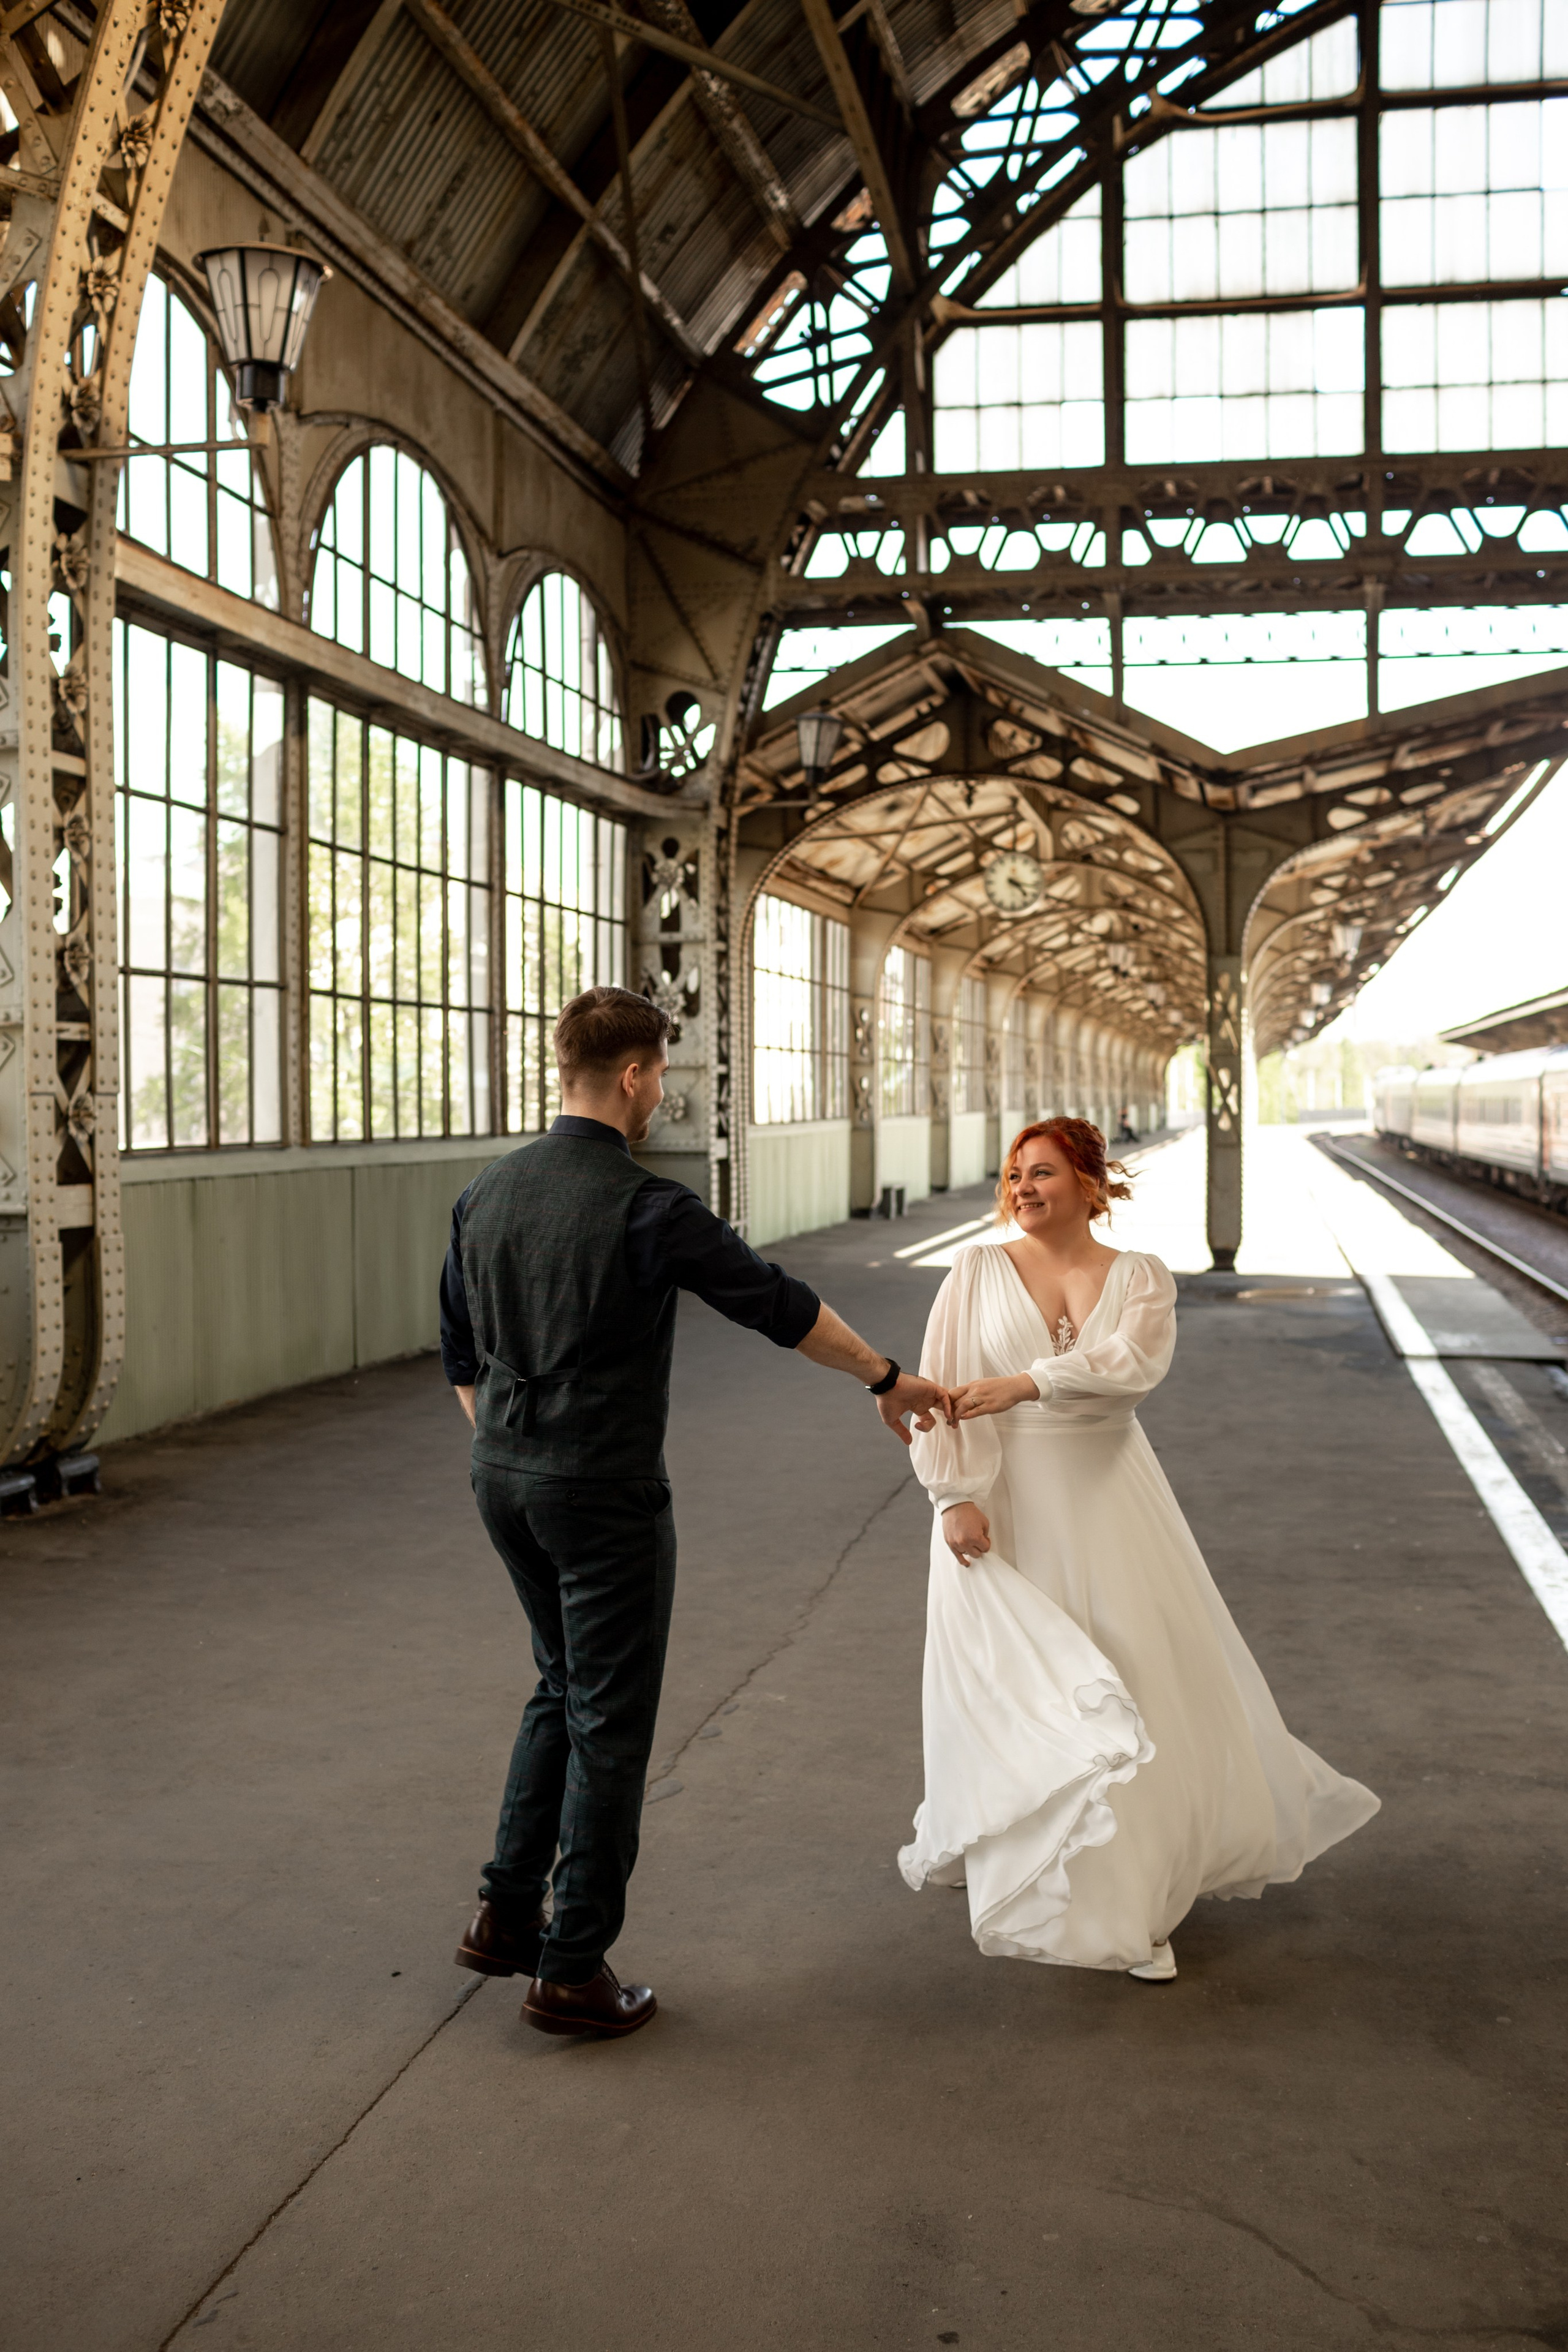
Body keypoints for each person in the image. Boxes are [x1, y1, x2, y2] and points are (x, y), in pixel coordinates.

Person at [440, 985, 952, 2039]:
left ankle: (504, 1915)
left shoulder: (487, 1191)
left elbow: (459, 1351)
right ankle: (571, 1966)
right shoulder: (647, 1206)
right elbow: (776, 1304)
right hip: (602, 1489)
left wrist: (512, 1446)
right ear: (632, 1077)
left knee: (560, 1684)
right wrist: (884, 1376)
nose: (660, 1093)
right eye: (660, 1075)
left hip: (504, 1476)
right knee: (611, 1722)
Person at [900, 1115, 1378, 1981]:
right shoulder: (974, 1271)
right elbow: (941, 1390)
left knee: (1131, 1679)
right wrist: (955, 1495)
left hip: (1112, 1501)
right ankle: (1011, 1845)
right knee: (1015, 1684)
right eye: (1013, 1176)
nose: (1022, 1189)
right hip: (1004, 1499)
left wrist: (1029, 1381)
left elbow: (1129, 1369)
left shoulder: (1141, 1279)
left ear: (1091, 1182)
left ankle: (1132, 1903)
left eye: (1041, 1173)